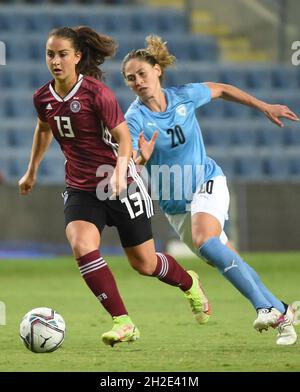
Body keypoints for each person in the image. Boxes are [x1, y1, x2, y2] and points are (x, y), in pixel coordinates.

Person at [18, 27, 211, 347]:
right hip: (81, 188)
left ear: (78, 57)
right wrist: (32, 170)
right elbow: (43, 129)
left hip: (121, 185)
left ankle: (189, 281)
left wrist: (122, 170)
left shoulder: (96, 93)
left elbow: (122, 137)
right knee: (81, 244)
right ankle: (123, 321)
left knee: (145, 264)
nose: (55, 60)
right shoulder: (42, 97)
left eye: (63, 54)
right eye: (50, 54)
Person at [122, 35, 299, 346]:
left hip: (207, 181)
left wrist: (263, 106)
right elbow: (129, 162)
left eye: (142, 74)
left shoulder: (185, 97)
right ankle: (284, 313)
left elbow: (223, 89)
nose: (138, 81)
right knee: (225, 258)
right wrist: (141, 158)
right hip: (176, 206)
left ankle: (264, 307)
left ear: (157, 71)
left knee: (206, 239)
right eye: (130, 78)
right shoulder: (134, 119)